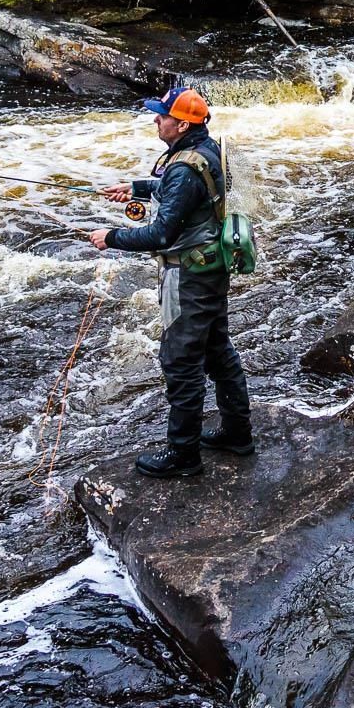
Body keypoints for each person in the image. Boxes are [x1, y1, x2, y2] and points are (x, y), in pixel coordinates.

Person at [89, 86, 253, 478]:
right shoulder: (207, 149)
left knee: (180, 362)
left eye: (161, 116)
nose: (156, 120)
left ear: (182, 124)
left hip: (189, 277)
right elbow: (187, 190)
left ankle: (183, 455)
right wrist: (136, 189)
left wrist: (110, 238)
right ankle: (237, 433)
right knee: (216, 350)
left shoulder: (182, 167)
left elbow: (162, 234)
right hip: (211, 269)